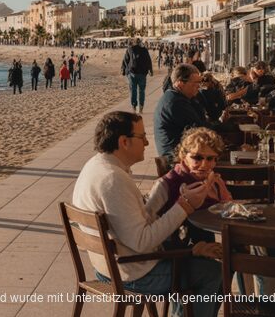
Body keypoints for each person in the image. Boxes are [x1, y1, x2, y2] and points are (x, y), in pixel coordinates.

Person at [71, 111, 222, 316]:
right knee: (212, 272)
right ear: (124, 142)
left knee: (201, 261)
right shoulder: (113, 179)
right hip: (133, 273)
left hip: (108, 267)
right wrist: (185, 205)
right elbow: (142, 242)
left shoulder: (96, 166)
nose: (147, 143)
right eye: (142, 137)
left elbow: (135, 229)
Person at [154, 128, 232, 245]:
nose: (204, 164)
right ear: (183, 156)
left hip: (208, 245)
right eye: (197, 157)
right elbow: (148, 227)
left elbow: (229, 209)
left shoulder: (215, 181)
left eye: (210, 158)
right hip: (177, 253)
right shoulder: (166, 184)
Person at [153, 64, 212, 161]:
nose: (199, 86)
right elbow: (200, 129)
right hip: (175, 158)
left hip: (180, 152)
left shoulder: (178, 97)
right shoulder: (175, 103)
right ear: (180, 84)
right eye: (196, 83)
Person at [122, 38, 154, 113]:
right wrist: (150, 70)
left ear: (134, 43)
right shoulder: (144, 50)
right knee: (141, 91)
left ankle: (134, 107)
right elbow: (148, 61)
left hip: (132, 73)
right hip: (142, 74)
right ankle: (141, 108)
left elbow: (125, 60)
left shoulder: (130, 49)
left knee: (133, 90)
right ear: (140, 43)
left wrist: (124, 70)